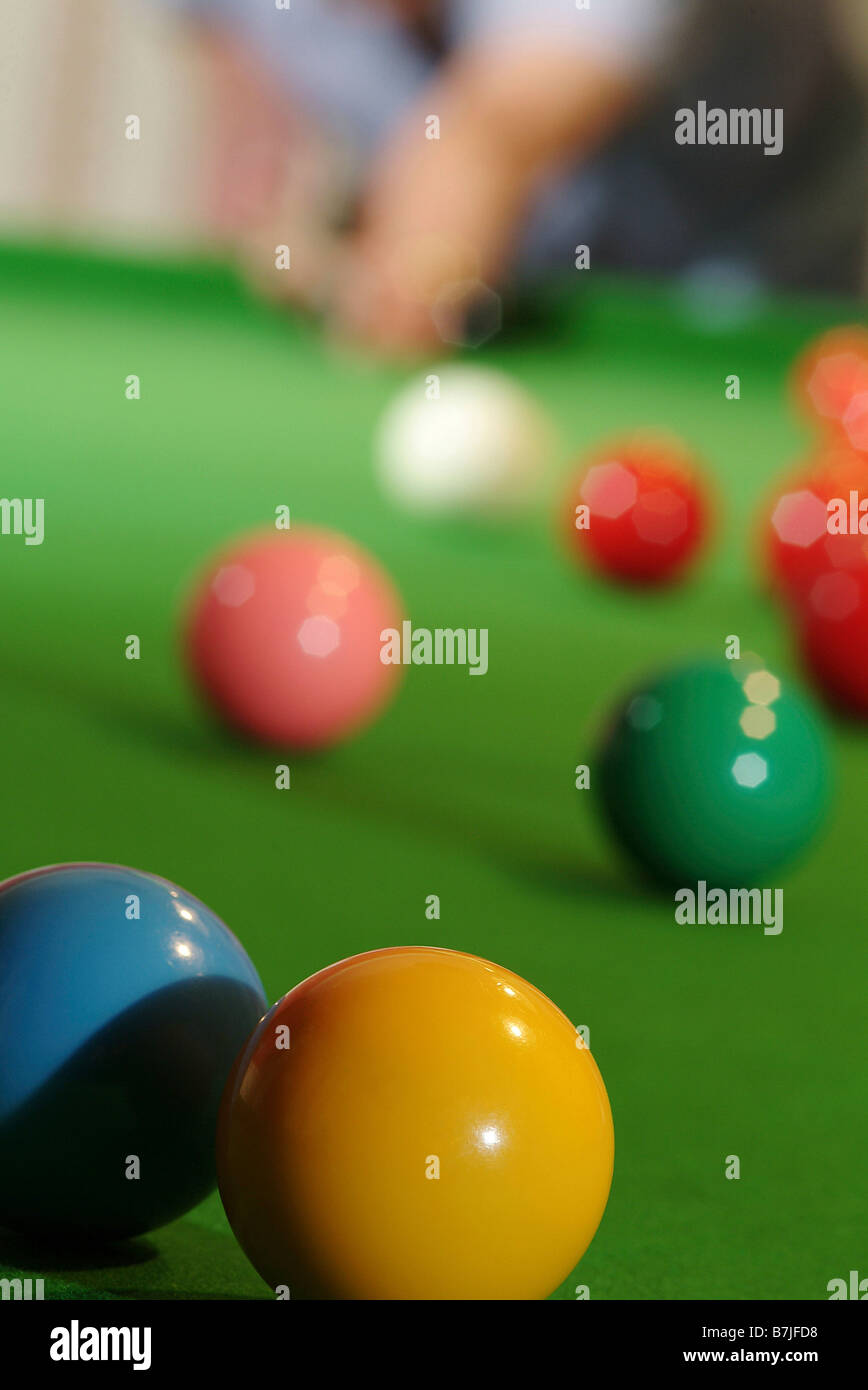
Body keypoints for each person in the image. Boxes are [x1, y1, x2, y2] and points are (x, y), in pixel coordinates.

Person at [166, 0, 865, 355]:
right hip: (518, 299)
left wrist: (403, 283)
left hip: (760, 306)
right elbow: (250, 149)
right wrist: (284, 237)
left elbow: (492, 137)